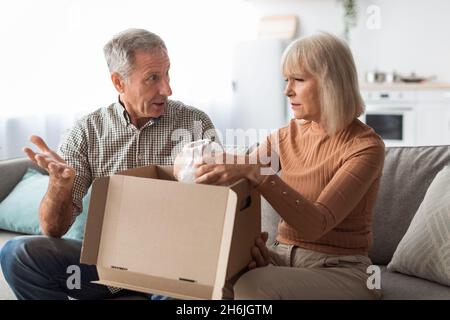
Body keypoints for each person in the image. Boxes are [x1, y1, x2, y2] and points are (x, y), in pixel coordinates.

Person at [0, 28, 218, 300]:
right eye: (152, 78)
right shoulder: (86, 132)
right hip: (105, 269)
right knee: (17, 254)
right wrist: (59, 186)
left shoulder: (195, 124)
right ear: (118, 82)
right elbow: (53, 230)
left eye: (167, 74)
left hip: (173, 267)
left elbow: (218, 213)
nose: (167, 88)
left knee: (183, 292)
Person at [193, 32, 385, 299]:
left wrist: (256, 171)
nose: (287, 90)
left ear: (330, 83)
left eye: (298, 79)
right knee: (214, 276)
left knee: (253, 286)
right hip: (282, 257)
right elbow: (242, 181)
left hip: (343, 270)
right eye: (286, 80)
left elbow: (317, 224)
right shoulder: (285, 136)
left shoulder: (365, 146)